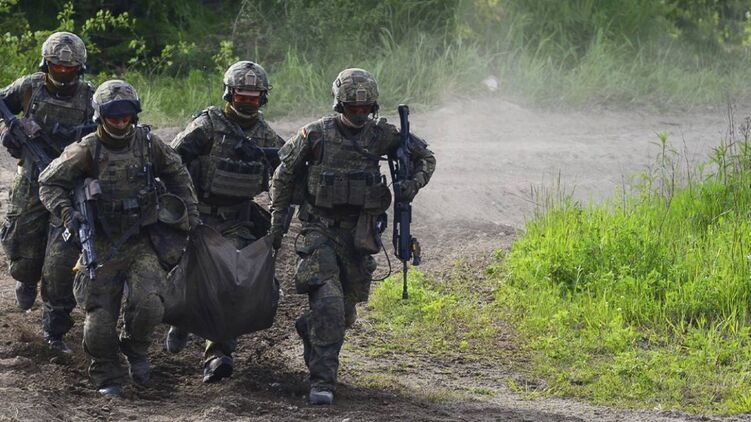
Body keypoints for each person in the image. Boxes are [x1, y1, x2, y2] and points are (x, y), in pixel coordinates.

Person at [269, 68, 436, 405]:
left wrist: (412, 184)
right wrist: (277, 223)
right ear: (339, 105)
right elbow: (283, 174)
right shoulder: (315, 135)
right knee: (329, 304)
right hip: (320, 231)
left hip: (359, 236)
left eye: (365, 109)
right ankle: (322, 382)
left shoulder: (382, 135)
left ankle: (311, 328)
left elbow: (425, 158)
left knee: (343, 314)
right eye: (352, 108)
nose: (359, 114)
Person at [38, 79, 199, 396]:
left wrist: (191, 214)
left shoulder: (148, 144)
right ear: (100, 116)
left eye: (126, 115)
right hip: (101, 243)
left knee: (150, 305)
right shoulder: (86, 150)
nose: (120, 122)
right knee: (98, 322)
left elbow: (177, 172)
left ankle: (135, 349)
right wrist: (68, 213)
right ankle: (107, 372)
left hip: (141, 240)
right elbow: (48, 183)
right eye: (113, 116)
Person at [166, 60, 284, 383]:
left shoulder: (267, 137)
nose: (247, 103)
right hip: (197, 216)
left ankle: (217, 352)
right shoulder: (207, 127)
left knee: (231, 281)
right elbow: (171, 162)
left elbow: (287, 172)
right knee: (181, 272)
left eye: (254, 98)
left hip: (236, 221)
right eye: (241, 97)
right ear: (229, 95)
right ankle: (180, 319)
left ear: (263, 99)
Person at [0, 31, 95, 352]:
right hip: (31, 181)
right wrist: (10, 128)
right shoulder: (29, 87)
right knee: (22, 248)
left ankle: (55, 329)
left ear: (80, 68)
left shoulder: (90, 98)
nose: (63, 72)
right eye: (57, 67)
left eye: (70, 68)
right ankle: (26, 278)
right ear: (46, 65)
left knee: (60, 262)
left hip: (68, 187)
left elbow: (108, 133)